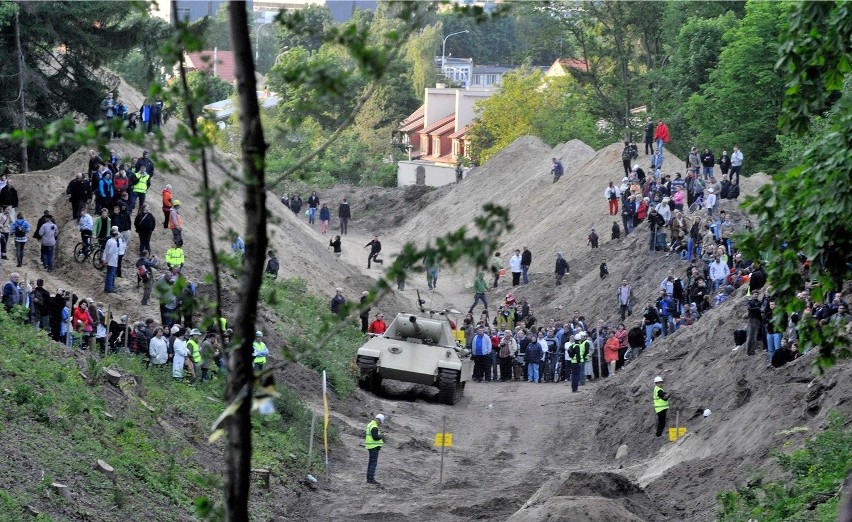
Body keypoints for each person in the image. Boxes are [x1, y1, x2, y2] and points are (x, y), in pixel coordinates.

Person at [365, 413, 386, 486]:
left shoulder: (370, 424)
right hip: (373, 447)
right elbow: (375, 437)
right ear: (379, 420)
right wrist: (382, 436)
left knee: (371, 463)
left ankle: (369, 478)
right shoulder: (374, 427)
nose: (380, 424)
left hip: (371, 447)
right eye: (380, 422)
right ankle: (371, 479)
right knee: (373, 464)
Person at [102, 227, 120, 293]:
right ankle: (109, 288)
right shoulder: (114, 243)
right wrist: (106, 260)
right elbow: (110, 253)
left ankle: (109, 287)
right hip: (112, 261)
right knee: (111, 275)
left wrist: (104, 259)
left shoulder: (109, 240)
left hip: (110, 260)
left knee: (109, 274)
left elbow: (105, 250)